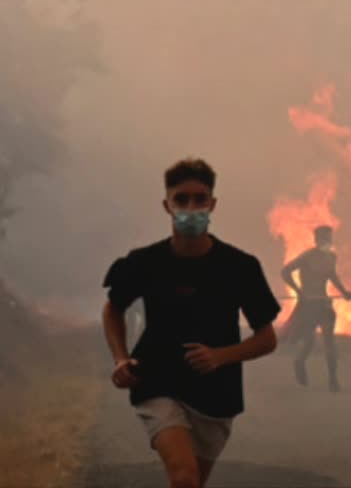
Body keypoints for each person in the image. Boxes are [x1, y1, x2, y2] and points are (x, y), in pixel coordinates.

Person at [101, 158, 280, 488]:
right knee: (184, 476)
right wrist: (121, 358)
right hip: (156, 380)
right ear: (166, 205)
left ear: (213, 204)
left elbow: (267, 339)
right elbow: (113, 309)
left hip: (217, 393)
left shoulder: (240, 267)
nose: (191, 208)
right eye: (181, 199)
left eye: (200, 199)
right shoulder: (144, 262)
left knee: (192, 482)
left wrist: (220, 356)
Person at [280, 225, 351, 392]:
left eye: (329, 237)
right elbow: (285, 271)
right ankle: (299, 362)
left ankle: (333, 380)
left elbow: (333, 276)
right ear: (317, 239)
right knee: (309, 342)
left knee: (329, 342)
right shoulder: (308, 256)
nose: (328, 241)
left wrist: (344, 292)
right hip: (308, 305)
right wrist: (299, 291)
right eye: (324, 237)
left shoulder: (332, 257)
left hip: (324, 304)